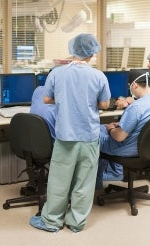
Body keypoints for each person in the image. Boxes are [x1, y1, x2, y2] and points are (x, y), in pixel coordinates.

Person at [29, 33, 111, 233]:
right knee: (84, 183)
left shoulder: (57, 73)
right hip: (89, 137)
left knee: (59, 182)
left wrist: (66, 99)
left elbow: (47, 100)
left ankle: (52, 222)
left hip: (66, 137)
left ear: (72, 51)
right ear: (91, 54)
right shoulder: (99, 75)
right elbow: (105, 104)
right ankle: (76, 223)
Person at [97, 72, 150, 189]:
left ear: (134, 85)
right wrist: (120, 125)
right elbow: (145, 123)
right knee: (102, 127)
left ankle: (98, 181)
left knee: (94, 133)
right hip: (149, 149)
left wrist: (111, 129)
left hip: (129, 149)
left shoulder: (136, 107)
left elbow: (119, 137)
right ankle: (112, 172)